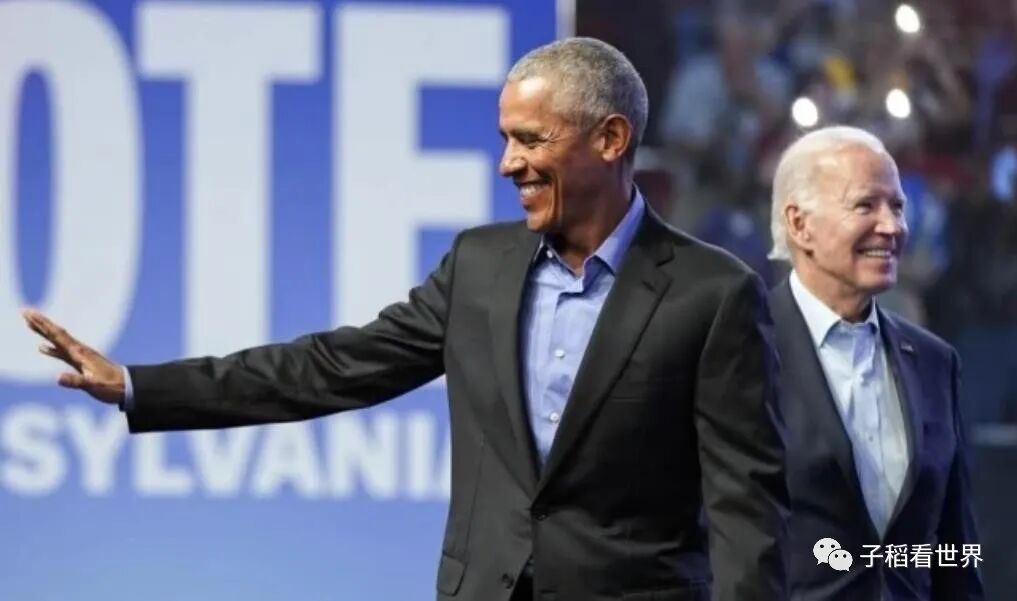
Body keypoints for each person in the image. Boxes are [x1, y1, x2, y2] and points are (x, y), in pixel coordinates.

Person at [22, 38, 788, 601]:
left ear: (610, 139)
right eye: (505, 140)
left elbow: (746, 510)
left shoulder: (711, 294)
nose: (507, 163)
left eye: (530, 139)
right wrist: (139, 384)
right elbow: (330, 368)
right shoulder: (480, 266)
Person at [766, 125, 984, 600]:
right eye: (865, 205)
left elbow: (955, 550)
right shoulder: (741, 348)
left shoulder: (934, 362)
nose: (892, 226)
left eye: (897, 207)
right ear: (799, 224)